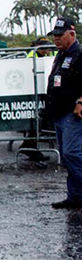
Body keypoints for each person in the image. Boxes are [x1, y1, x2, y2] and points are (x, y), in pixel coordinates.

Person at [45, 17, 82, 209]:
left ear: (72, 34)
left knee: (72, 153)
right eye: (55, 36)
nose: (57, 39)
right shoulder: (61, 55)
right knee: (67, 157)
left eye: (60, 35)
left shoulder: (79, 54)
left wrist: (80, 102)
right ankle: (75, 197)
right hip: (59, 113)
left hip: (72, 113)